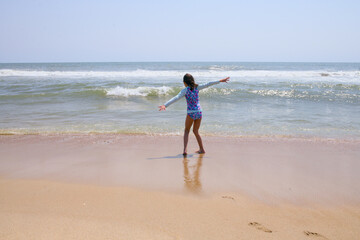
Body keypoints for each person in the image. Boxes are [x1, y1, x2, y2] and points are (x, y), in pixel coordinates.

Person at [159, 73, 230, 155]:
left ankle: (185, 150)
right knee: (196, 131)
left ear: (185, 82)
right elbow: (208, 84)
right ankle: (202, 149)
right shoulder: (197, 87)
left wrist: (165, 105)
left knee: (186, 131)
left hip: (191, 113)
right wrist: (220, 81)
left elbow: (176, 98)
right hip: (199, 112)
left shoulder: (185, 90)